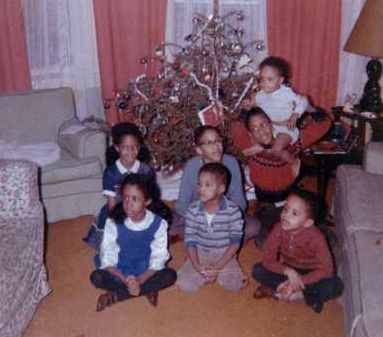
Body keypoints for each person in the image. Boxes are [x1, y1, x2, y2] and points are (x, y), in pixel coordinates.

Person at [90, 173, 176, 312]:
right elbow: (107, 253)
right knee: (97, 277)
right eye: (125, 198)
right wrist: (126, 280)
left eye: (135, 199)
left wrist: (140, 281)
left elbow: (159, 256)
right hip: (120, 269)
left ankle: (117, 296)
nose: (128, 204)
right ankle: (147, 290)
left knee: (170, 275)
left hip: (146, 270)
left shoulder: (159, 224)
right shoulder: (113, 222)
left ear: (147, 201)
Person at [251, 189, 343, 314]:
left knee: (335, 285)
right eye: (285, 209)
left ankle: (292, 294)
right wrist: (288, 271)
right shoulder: (279, 229)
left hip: (312, 272)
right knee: (258, 270)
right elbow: (268, 260)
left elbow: (327, 270)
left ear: (307, 222)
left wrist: (299, 281)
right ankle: (301, 293)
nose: (285, 215)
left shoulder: (317, 238)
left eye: (294, 213)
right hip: (289, 268)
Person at [172, 125, 260, 242]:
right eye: (209, 142)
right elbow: (182, 204)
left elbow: (240, 201)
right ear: (199, 150)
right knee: (168, 225)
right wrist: (202, 219)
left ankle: (212, 242)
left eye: (218, 140)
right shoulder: (192, 166)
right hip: (198, 215)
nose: (216, 146)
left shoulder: (231, 162)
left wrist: (222, 219)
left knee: (253, 226)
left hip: (224, 214)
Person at [83, 122, 156, 250]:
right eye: (125, 147)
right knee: (114, 243)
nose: (131, 151)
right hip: (118, 210)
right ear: (117, 148)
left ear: (139, 147)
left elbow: (150, 199)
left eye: (135, 147)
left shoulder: (146, 170)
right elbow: (111, 204)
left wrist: (141, 216)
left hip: (141, 208)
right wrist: (124, 221)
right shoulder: (110, 173)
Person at [176, 163, 247, 292]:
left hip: (224, 255)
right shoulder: (193, 209)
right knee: (183, 283)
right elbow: (190, 240)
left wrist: (218, 266)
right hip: (200, 252)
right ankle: (206, 273)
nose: (201, 189)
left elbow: (235, 242)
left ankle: (215, 273)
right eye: (200, 183)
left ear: (221, 188)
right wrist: (196, 265)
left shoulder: (233, 211)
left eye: (207, 185)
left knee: (236, 284)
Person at [243, 57, 310, 163]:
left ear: (280, 80)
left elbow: (304, 101)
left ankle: (294, 162)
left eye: (269, 79)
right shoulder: (260, 95)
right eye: (262, 79)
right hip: (270, 127)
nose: (265, 83)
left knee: (276, 149)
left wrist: (295, 115)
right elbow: (254, 106)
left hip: (286, 129)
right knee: (253, 133)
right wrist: (248, 105)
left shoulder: (286, 93)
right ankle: (259, 146)